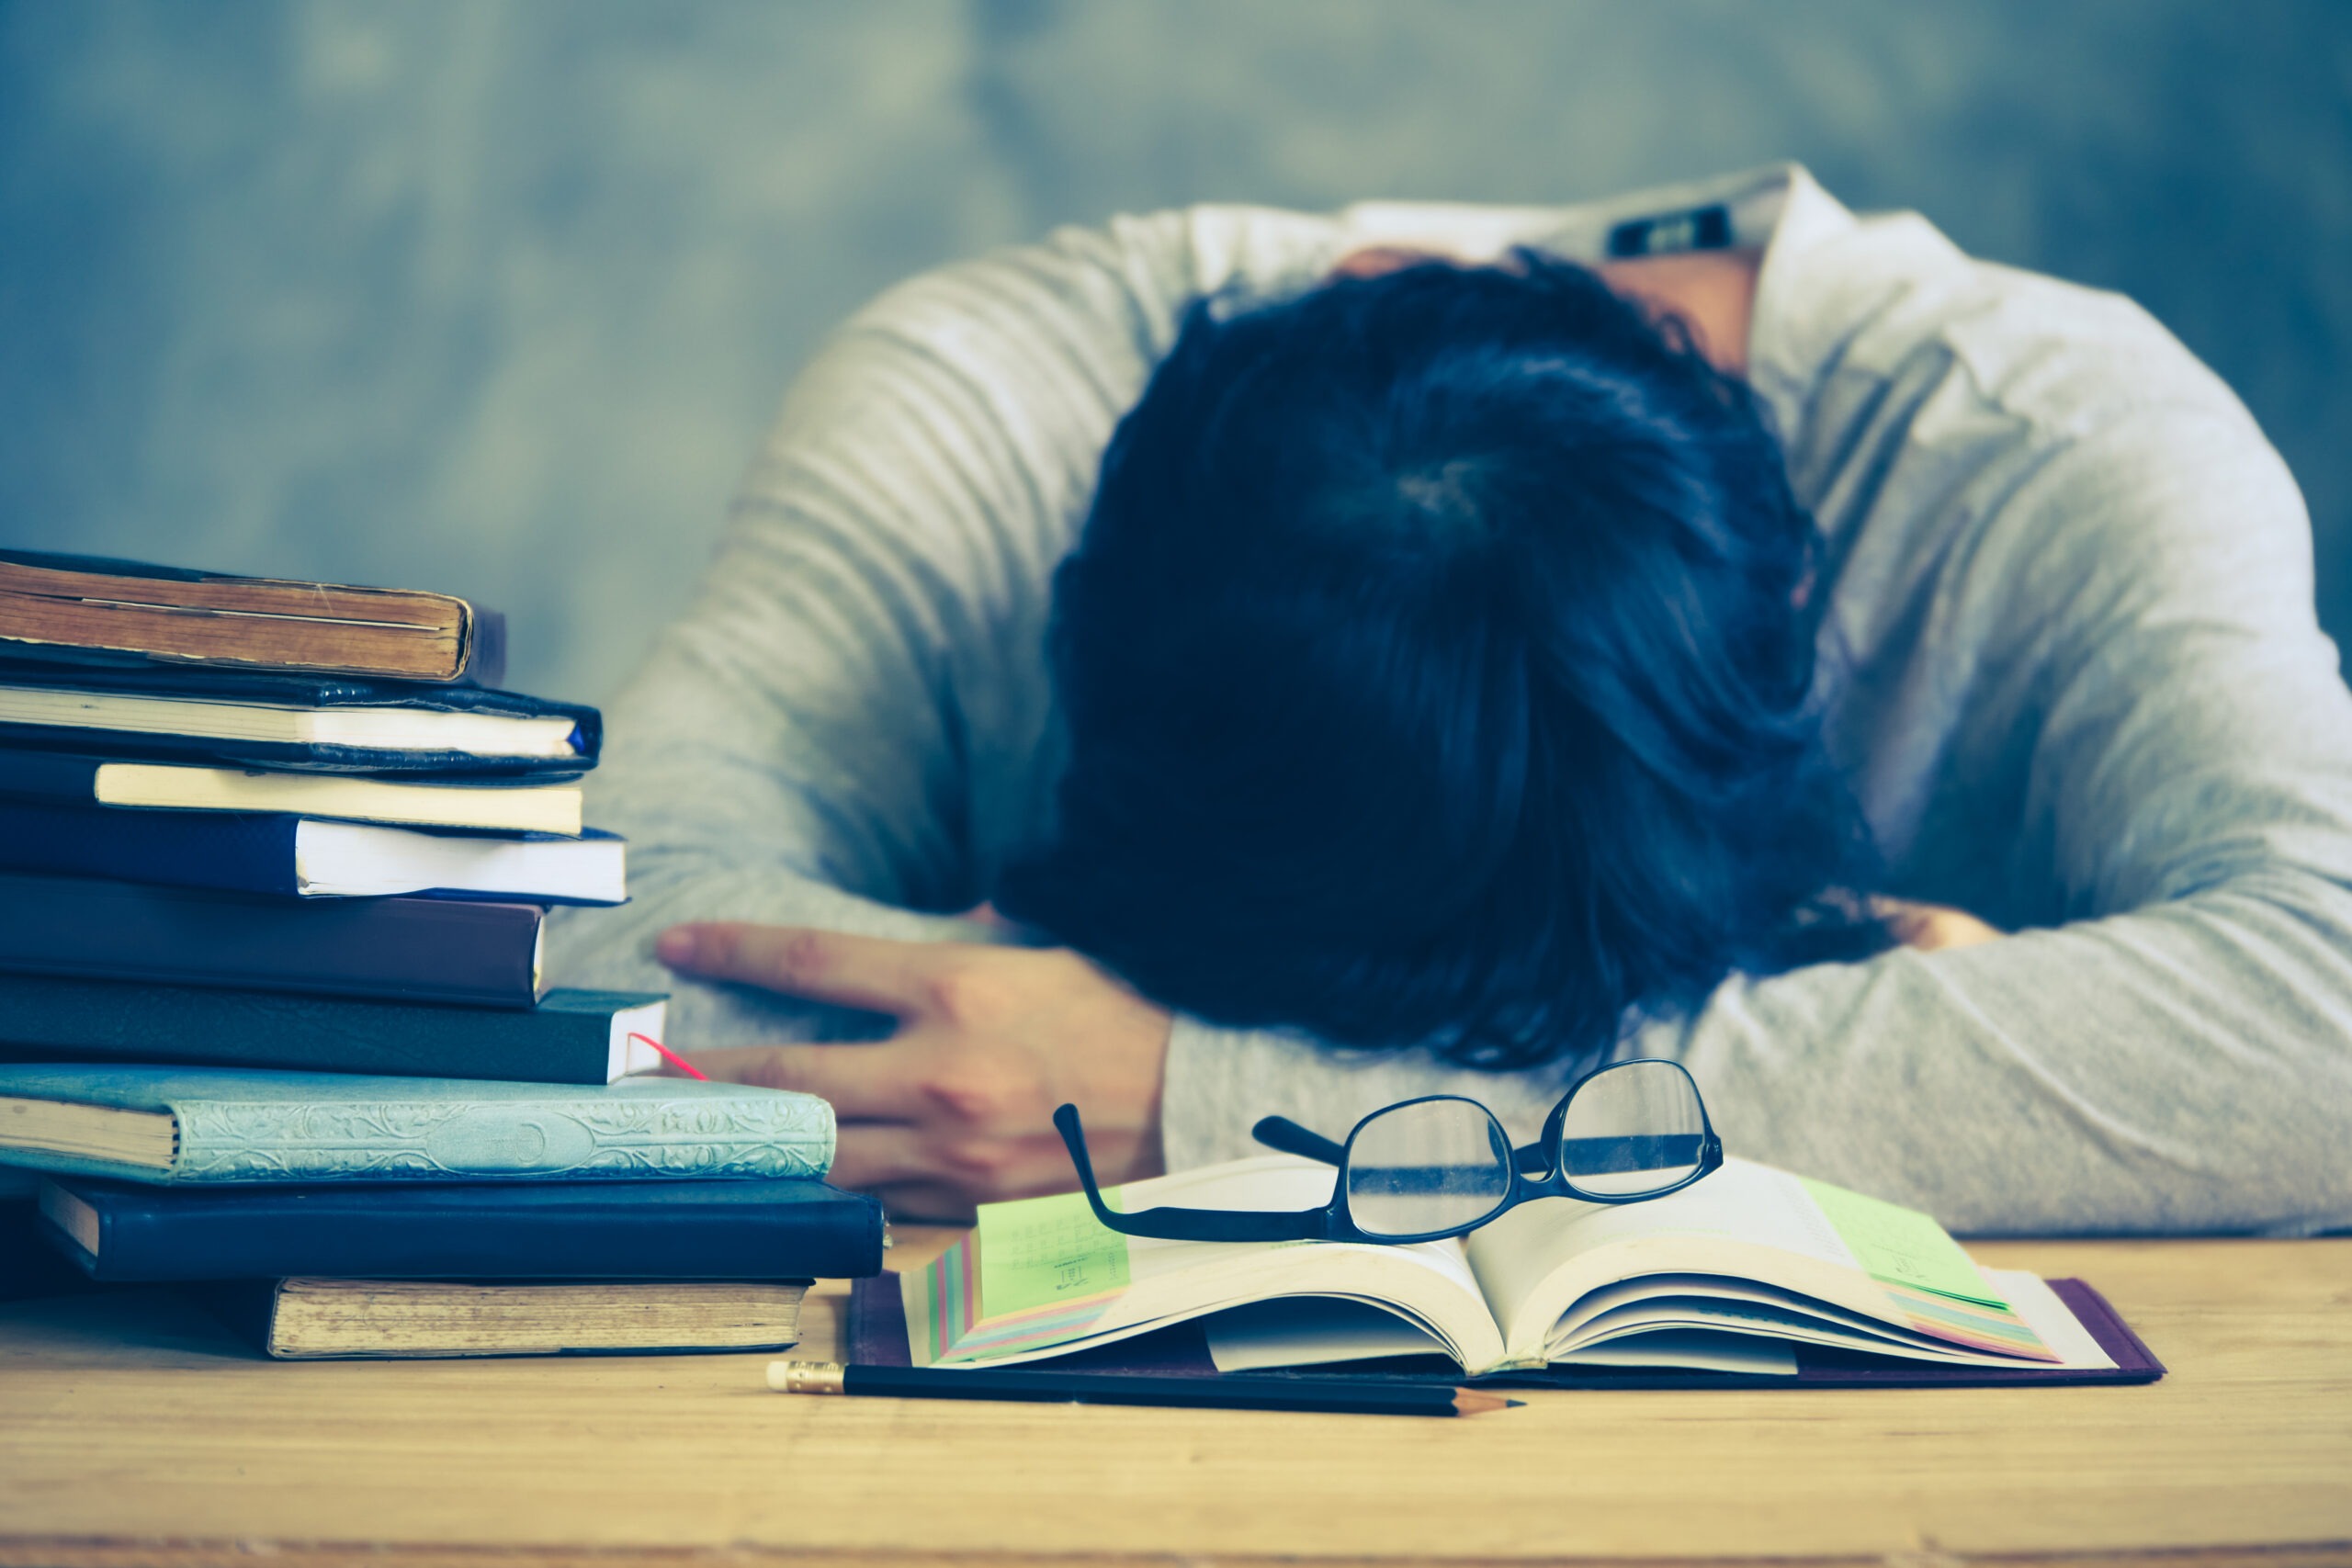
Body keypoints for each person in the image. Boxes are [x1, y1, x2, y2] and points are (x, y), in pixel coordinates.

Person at [550, 164, 2352, 1235]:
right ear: (1066, 607)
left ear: (1791, 627)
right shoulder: (983, 409)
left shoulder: (2056, 449)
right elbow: (556, 933)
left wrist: (1204, 1096)